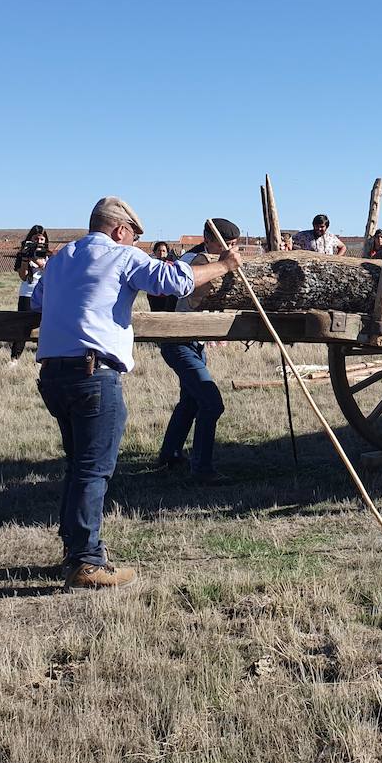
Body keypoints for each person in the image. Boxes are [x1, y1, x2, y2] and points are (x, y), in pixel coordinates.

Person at [32, 197, 239, 589]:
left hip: (54, 373)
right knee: (93, 469)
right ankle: (86, 562)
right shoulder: (120, 256)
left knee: (78, 464)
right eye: (134, 237)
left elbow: (38, 301)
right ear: (121, 230)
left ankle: (76, 549)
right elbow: (175, 281)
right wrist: (225, 265)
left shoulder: (61, 259)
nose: (135, 245)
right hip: (94, 373)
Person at [157, 218, 240, 481]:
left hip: (194, 343)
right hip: (178, 341)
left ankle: (169, 455)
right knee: (211, 403)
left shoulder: (213, 260)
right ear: (209, 239)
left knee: (191, 401)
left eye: (235, 245)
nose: (231, 249)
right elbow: (196, 285)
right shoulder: (196, 261)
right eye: (226, 244)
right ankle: (202, 469)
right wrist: (226, 266)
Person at [10, 225, 51, 365]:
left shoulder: (49, 255)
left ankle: (42, 358)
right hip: (27, 293)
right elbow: (23, 276)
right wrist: (26, 259)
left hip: (45, 294)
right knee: (23, 325)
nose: (39, 241)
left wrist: (40, 263)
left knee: (44, 326)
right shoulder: (24, 253)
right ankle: (14, 358)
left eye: (41, 238)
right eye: (36, 238)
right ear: (30, 239)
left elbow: (52, 273)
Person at [145, 241, 179, 312]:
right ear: (155, 252)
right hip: (154, 296)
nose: (161, 253)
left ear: (167, 253)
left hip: (169, 297)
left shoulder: (171, 265)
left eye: (163, 251)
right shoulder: (151, 265)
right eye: (159, 250)